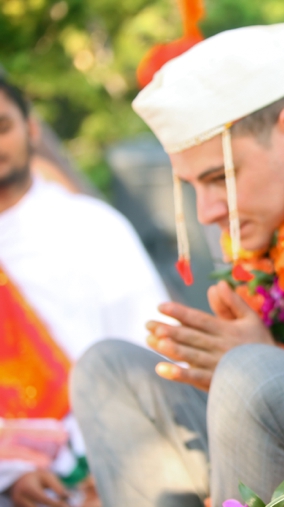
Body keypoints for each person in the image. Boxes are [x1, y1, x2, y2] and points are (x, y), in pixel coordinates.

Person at [70, 22, 284, 507]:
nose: (207, 212)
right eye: (191, 186)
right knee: (106, 370)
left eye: (220, 178)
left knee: (248, 373)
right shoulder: (260, 208)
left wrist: (270, 353)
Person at [0, 77, 169, 506]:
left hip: (111, 466)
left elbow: (149, 352)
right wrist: (12, 474)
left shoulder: (92, 227)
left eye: (2, 127)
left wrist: (109, 459)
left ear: (32, 129)